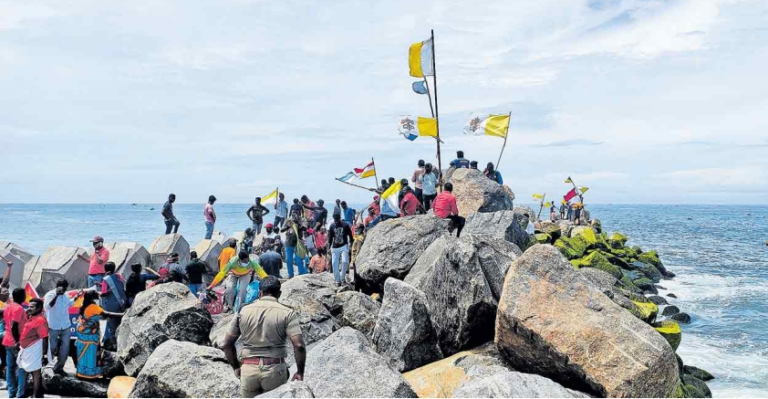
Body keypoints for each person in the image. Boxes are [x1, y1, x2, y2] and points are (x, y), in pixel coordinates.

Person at [223, 276, 306, 397]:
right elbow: (299, 345)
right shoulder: (287, 313)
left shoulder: (243, 311)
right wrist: (300, 372)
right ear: (279, 293)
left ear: (259, 292)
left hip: (248, 369)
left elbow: (226, 343)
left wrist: (236, 367)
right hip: (275, 370)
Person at [75, 291, 123, 380]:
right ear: (94, 299)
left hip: (83, 333)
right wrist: (123, 315)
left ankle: (82, 373)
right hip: (90, 335)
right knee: (91, 354)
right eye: (97, 297)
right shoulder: (93, 307)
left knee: (84, 354)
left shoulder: (84, 305)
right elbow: (107, 314)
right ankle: (90, 374)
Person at [43, 279, 77, 376]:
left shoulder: (66, 295)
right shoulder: (50, 295)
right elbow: (48, 307)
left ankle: (59, 368)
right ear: (57, 286)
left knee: (65, 349)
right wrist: (56, 295)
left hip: (65, 326)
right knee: (52, 348)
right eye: (62, 288)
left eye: (65, 288)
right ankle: (47, 367)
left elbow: (69, 304)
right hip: (53, 326)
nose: (64, 290)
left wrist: (76, 298)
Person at [17, 298, 48, 398]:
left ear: (39, 308)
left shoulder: (40, 320)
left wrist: (44, 355)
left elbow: (45, 338)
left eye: (32, 307)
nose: (29, 308)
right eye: (28, 306)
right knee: (26, 371)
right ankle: (28, 393)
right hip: (25, 349)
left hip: (34, 349)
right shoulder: (30, 317)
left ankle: (36, 396)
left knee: (36, 374)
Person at [4, 287, 28, 397]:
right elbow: (14, 326)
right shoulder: (18, 309)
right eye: (25, 294)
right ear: (22, 296)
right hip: (16, 342)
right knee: (21, 368)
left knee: (10, 368)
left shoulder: (8, 306)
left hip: (7, 340)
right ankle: (20, 393)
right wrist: (18, 341)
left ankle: (11, 392)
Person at [100, 262, 126, 349]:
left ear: (105, 269)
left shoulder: (105, 279)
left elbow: (103, 293)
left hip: (111, 304)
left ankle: (113, 344)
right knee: (119, 322)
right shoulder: (119, 276)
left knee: (111, 324)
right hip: (121, 303)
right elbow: (121, 286)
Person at [327, 214, 354, 286]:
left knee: (345, 261)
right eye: (335, 220)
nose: (336, 221)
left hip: (344, 246)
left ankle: (342, 278)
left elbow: (350, 236)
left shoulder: (345, 225)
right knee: (334, 263)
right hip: (335, 247)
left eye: (337, 220)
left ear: (340, 218)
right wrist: (329, 248)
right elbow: (330, 239)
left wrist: (351, 244)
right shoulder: (332, 226)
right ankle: (337, 280)